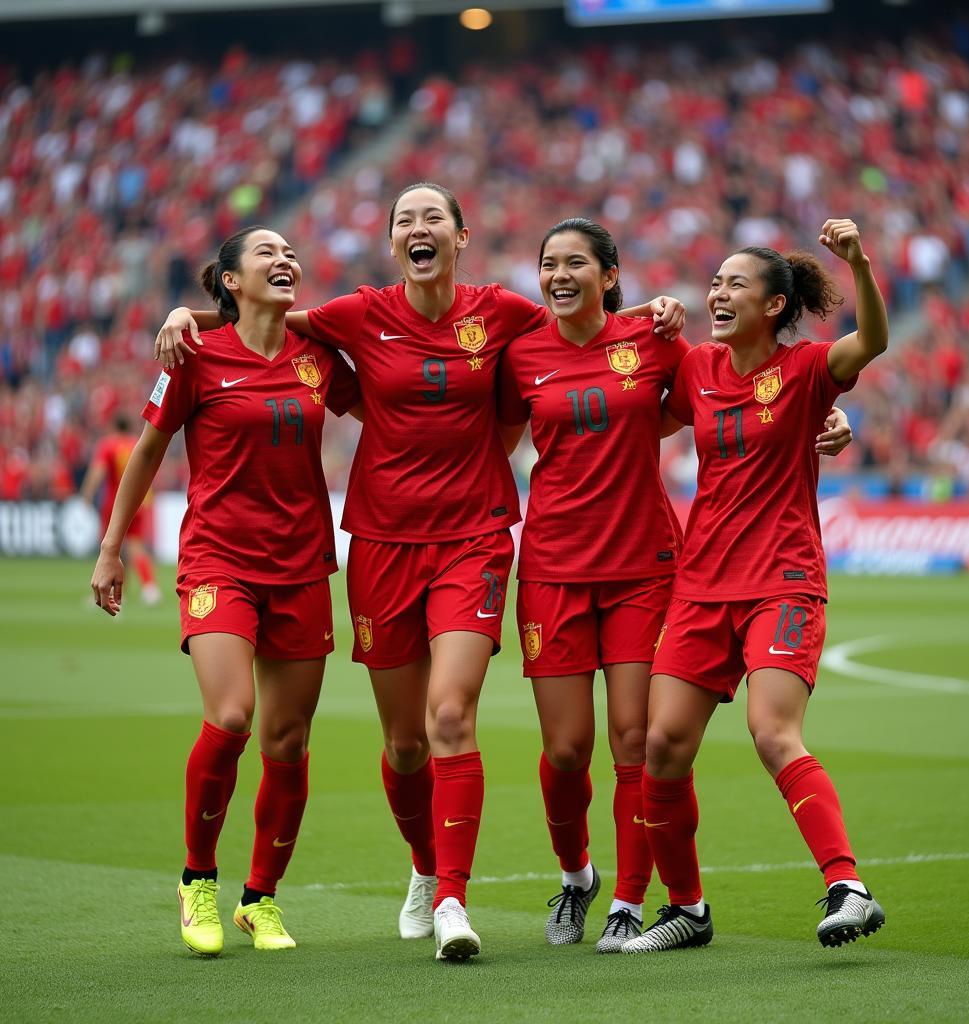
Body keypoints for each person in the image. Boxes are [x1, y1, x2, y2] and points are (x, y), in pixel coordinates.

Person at [154, 182, 686, 962]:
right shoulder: (356, 315)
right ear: (394, 243)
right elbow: (260, 321)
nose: (418, 226)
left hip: (474, 539)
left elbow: (582, 327)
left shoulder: (504, 312)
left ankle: (451, 902)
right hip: (380, 542)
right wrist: (186, 316)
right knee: (405, 745)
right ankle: (423, 864)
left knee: (449, 718)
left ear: (461, 236)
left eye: (433, 215)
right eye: (405, 218)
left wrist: (654, 313)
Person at [498, 219, 853, 953]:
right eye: (548, 263)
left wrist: (827, 409)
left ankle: (634, 901)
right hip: (553, 566)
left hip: (645, 564)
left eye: (575, 263)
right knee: (566, 750)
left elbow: (756, 393)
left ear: (610, 272)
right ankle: (577, 880)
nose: (559, 275)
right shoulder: (520, 347)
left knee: (640, 739)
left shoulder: (665, 345)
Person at [619, 219, 888, 954]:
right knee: (661, 746)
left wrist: (859, 263)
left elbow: (871, 342)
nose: (718, 292)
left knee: (773, 732)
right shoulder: (698, 367)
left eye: (735, 283)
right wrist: (659, 319)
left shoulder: (805, 371)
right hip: (702, 582)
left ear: (774, 305)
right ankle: (686, 910)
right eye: (715, 283)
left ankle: (847, 886)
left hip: (783, 579)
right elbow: (635, 393)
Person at [91, 226, 360, 957]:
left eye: (291, 253)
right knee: (234, 714)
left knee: (289, 739)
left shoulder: (317, 359)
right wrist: (113, 549)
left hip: (304, 565)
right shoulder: (194, 356)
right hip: (220, 561)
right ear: (232, 280)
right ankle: (198, 881)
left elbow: (386, 403)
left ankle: (261, 899)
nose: (286, 260)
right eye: (266, 253)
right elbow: (148, 449)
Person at [80, 413, 161, 606]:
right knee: (135, 547)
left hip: (115, 503)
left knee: (109, 548)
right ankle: (149, 588)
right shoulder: (136, 442)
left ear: (114, 427)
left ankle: (105, 590)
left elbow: (97, 472)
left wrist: (86, 495)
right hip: (139, 502)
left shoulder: (108, 445)